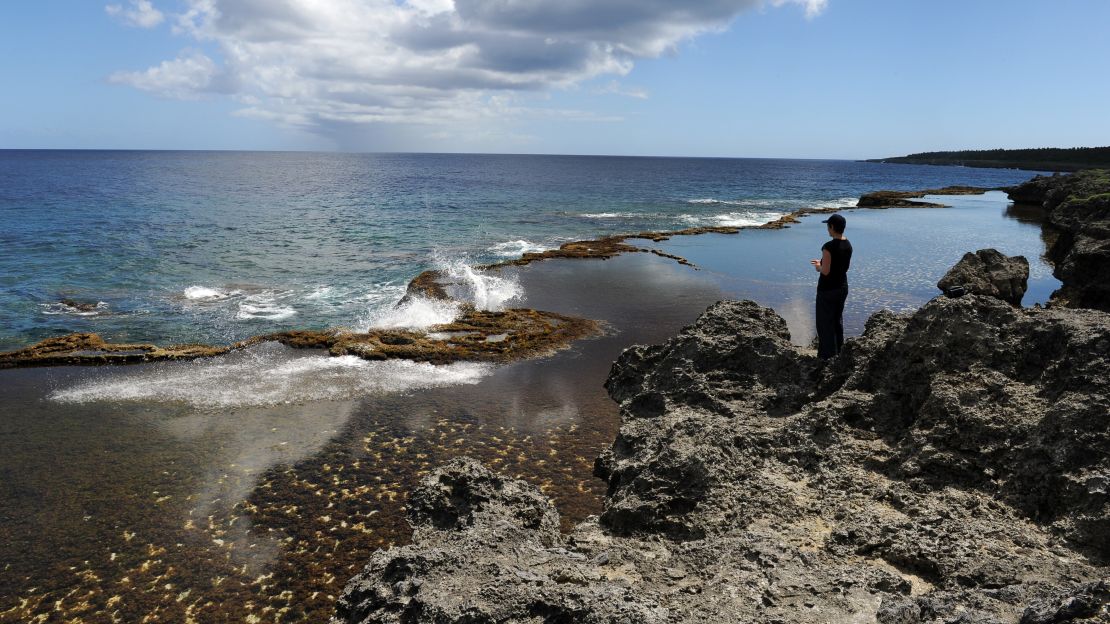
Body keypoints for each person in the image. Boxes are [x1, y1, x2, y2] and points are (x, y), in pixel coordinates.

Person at [810, 213, 852, 359]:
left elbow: (826, 271)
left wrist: (818, 266)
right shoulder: (848, 244)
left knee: (824, 324)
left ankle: (826, 358)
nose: (827, 229)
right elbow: (843, 267)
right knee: (836, 321)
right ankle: (839, 354)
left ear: (832, 227)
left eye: (828, 226)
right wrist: (823, 264)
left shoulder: (828, 246)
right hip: (842, 287)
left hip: (827, 290)